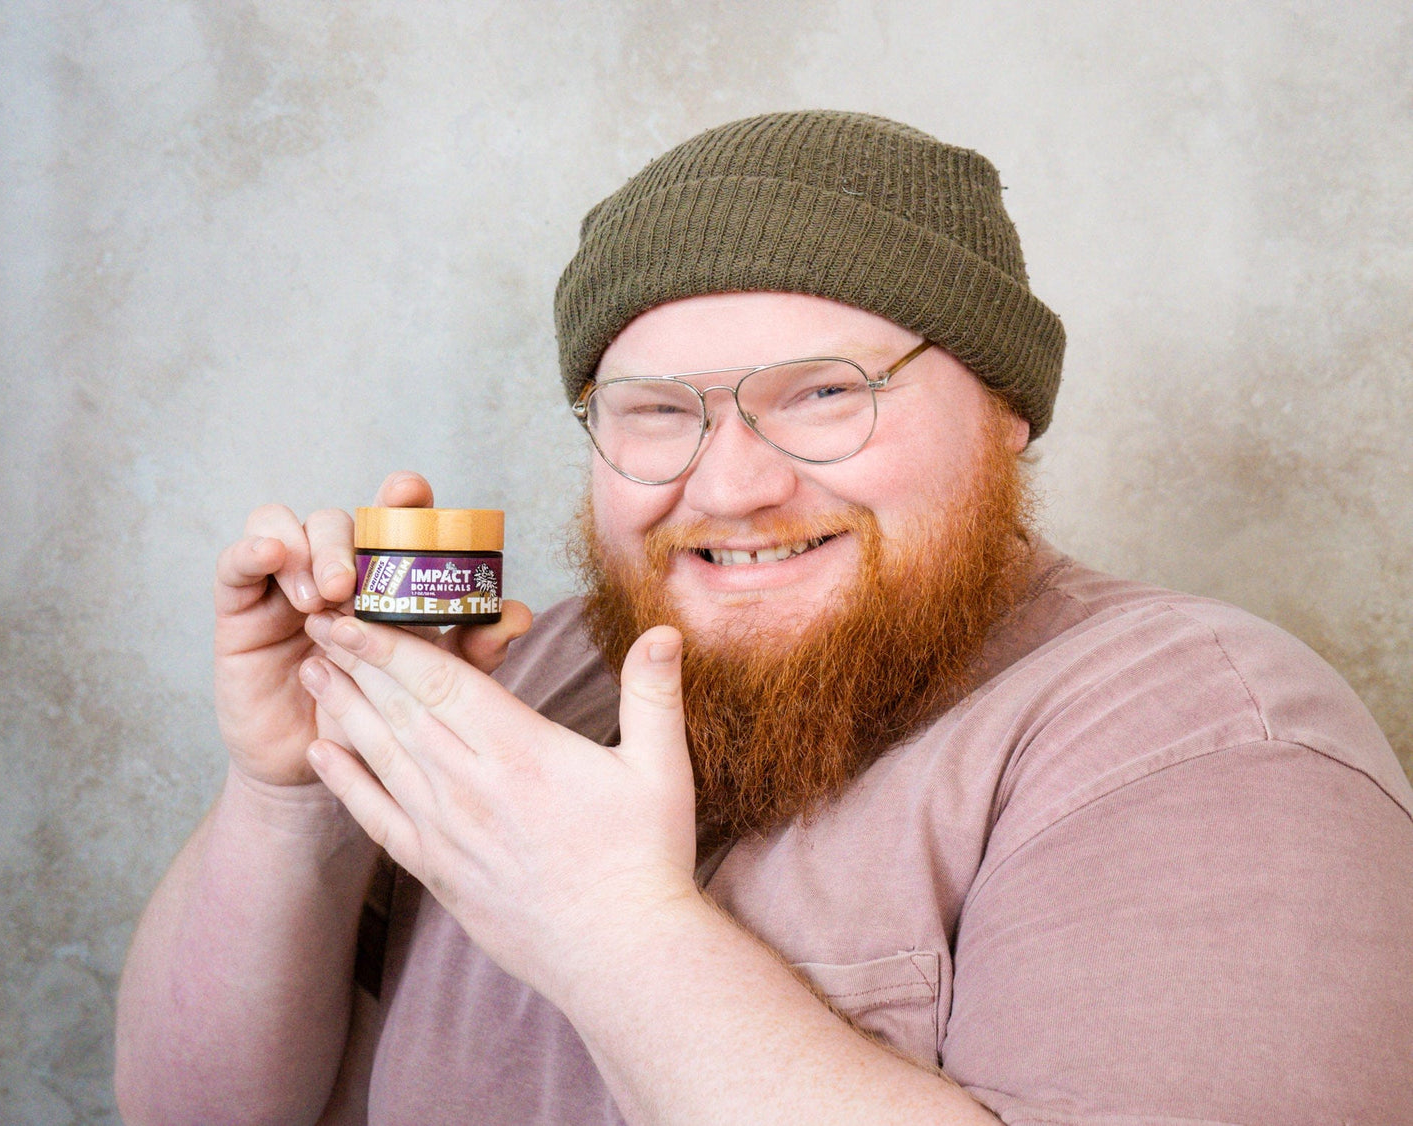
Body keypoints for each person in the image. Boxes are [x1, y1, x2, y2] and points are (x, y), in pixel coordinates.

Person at [114, 111, 1413, 1125]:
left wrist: (611, 926)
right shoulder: (518, 673)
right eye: (658, 410)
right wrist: (300, 795)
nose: (731, 482)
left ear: (1007, 414)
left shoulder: (1200, 733)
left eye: (822, 395)